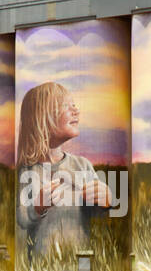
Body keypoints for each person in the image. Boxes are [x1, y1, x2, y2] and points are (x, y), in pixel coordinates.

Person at [16, 81, 112, 257]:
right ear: (42, 118)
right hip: (42, 267)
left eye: (74, 105)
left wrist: (106, 202)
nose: (76, 110)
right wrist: (38, 206)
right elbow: (21, 220)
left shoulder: (82, 165)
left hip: (80, 261)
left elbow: (98, 219)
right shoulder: (27, 172)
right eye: (66, 106)